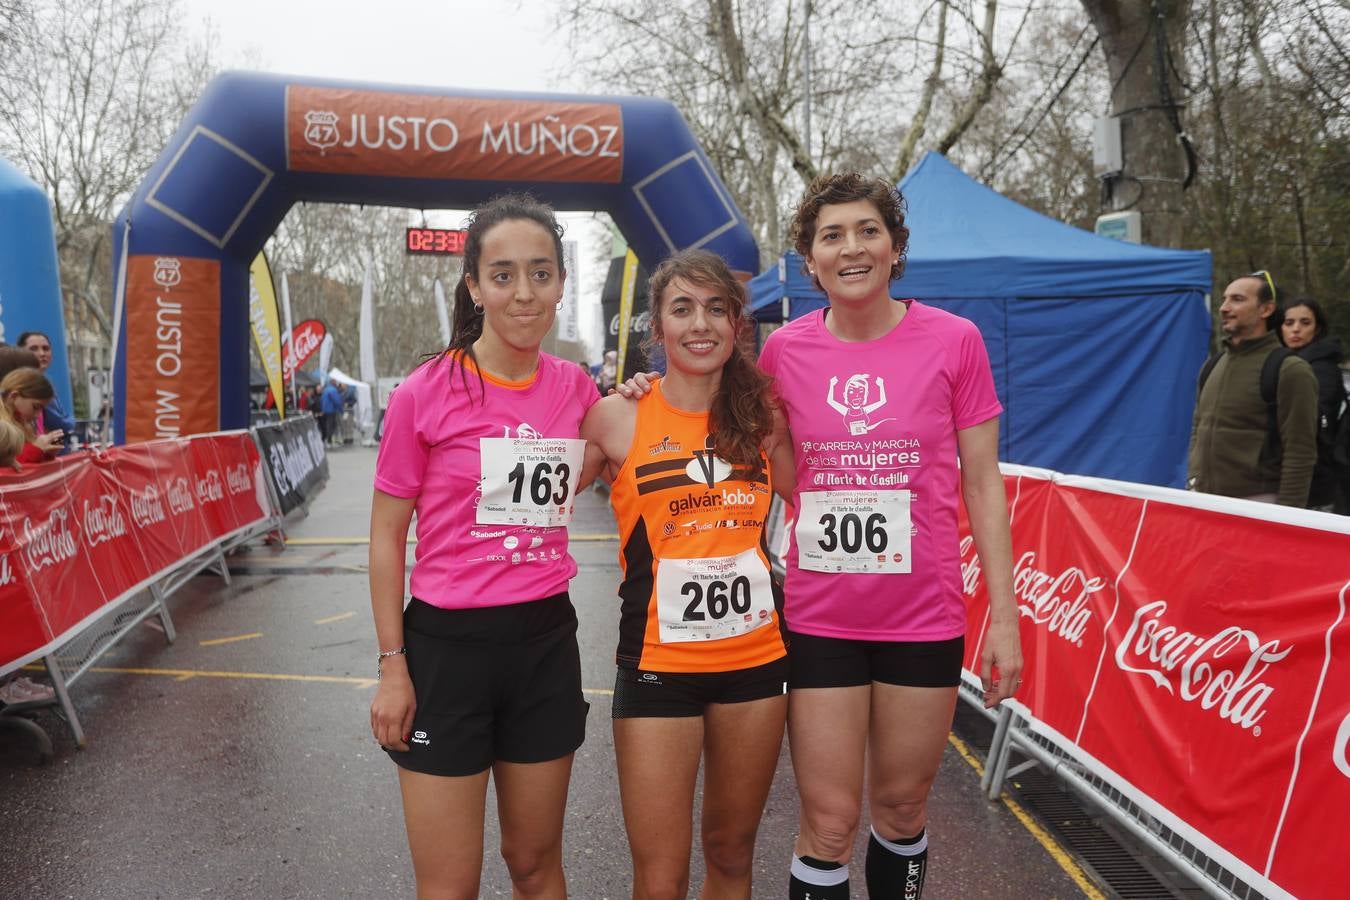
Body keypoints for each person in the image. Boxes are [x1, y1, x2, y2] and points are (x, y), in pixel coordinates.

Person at [764, 174, 1021, 899]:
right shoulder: (783, 352)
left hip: (922, 617)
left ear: (895, 247)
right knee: (828, 818)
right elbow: (777, 466)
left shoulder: (955, 341)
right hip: (824, 618)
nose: (852, 248)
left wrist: (1005, 619)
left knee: (903, 808)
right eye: (831, 235)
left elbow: (983, 483)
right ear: (809, 260)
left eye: (867, 231)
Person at [368, 193, 598, 899]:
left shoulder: (578, 390)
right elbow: (385, 536)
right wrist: (392, 668)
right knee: (450, 887)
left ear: (561, 281)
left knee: (535, 868)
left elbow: (600, 462)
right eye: (502, 275)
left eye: (540, 273)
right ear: (474, 286)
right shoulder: (425, 392)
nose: (523, 293)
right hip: (446, 653)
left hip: (543, 643)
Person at [580, 249, 792, 898]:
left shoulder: (763, 419)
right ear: (658, 328)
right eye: (682, 309)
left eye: (715, 309)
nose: (700, 324)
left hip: (755, 664)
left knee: (730, 856)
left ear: (735, 325)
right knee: (661, 876)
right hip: (656, 668)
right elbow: (532, 508)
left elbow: (823, 489)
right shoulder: (618, 417)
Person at [1189, 271, 1319, 506]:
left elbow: (1300, 452)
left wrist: (1286, 520)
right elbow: (1198, 430)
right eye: (1225, 299)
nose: (1224, 308)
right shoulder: (1212, 366)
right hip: (1204, 502)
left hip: (1258, 508)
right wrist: (1193, 478)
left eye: (1237, 299)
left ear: (1266, 309)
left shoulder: (1290, 369)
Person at [1280, 297, 1348, 512]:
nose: (1296, 329)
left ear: (1317, 328)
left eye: (1305, 322)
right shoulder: (1284, 362)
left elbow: (1315, 422)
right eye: (1289, 323)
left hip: (1316, 480)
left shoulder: (1323, 368)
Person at [17, 331, 75, 450]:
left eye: (46, 348)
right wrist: (70, 422)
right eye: (34, 349)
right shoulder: (25, 385)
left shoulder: (47, 381)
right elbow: (61, 423)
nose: (42, 353)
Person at [0, 367, 64, 465]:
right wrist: (36, 449)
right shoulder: (3, 427)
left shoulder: (24, 426)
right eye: (35, 407)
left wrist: (46, 453)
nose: (38, 415)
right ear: (14, 396)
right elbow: (8, 465)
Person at [319, 379, 342, 446]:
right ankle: (329, 439)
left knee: (328, 424)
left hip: (325, 410)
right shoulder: (333, 390)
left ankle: (328, 439)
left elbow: (322, 400)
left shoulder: (326, 390)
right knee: (332, 424)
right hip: (331, 410)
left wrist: (323, 409)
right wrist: (341, 409)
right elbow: (336, 400)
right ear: (334, 383)